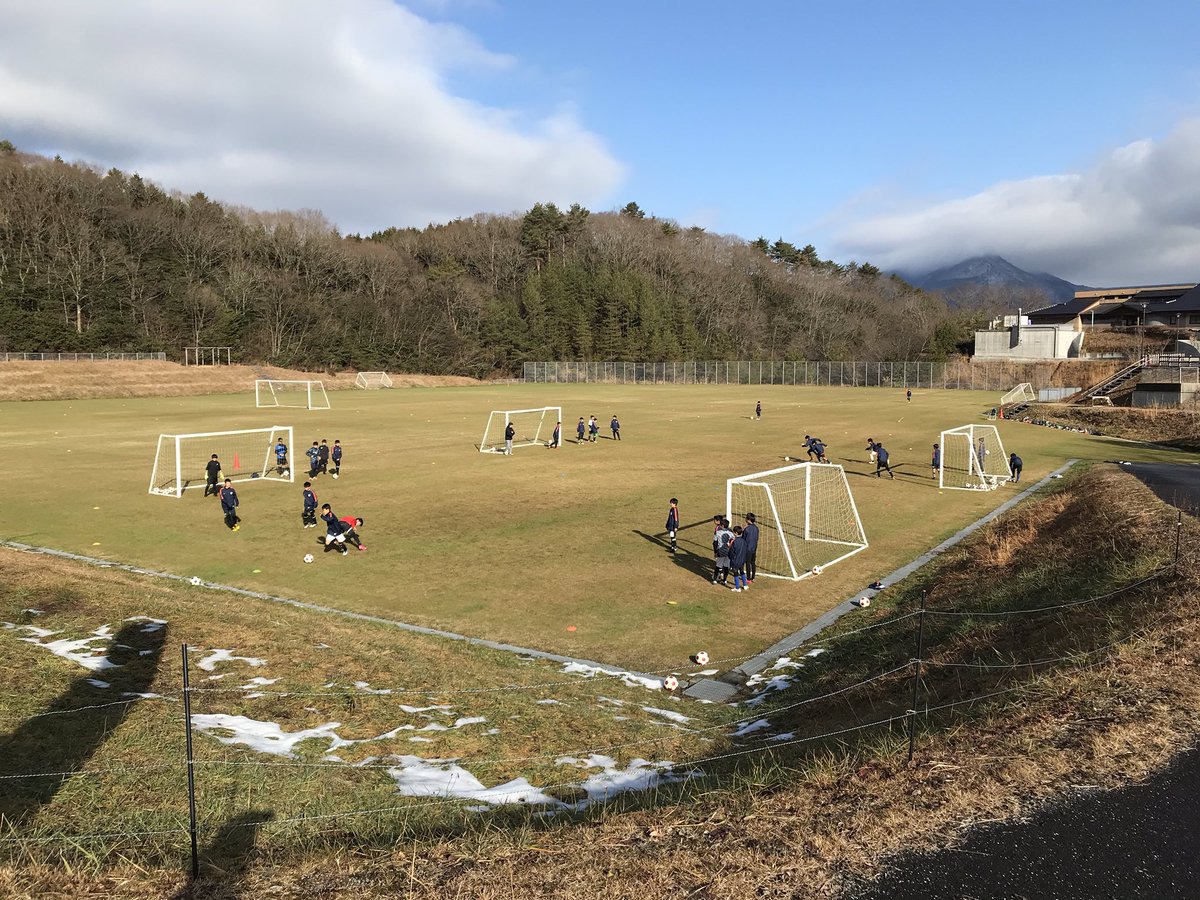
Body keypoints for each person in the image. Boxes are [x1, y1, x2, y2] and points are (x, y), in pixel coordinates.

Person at [712, 517, 734, 586]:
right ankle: (725, 580)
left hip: (720, 551)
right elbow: (733, 542)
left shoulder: (718, 533)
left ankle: (715, 579)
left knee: (718, 566)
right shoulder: (731, 533)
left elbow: (715, 543)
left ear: (722, 526)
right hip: (728, 552)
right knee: (726, 566)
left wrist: (715, 552)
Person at [728, 525, 749, 592]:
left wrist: (730, 557)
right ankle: (745, 585)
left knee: (735, 573)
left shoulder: (735, 542)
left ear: (736, 533)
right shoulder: (744, 541)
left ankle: (737, 587)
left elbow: (732, 552)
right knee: (742, 571)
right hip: (742, 559)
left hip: (735, 560)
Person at [743, 512, 759, 582]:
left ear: (748, 519)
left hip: (748, 548)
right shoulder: (756, 528)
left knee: (748, 563)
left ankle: (748, 578)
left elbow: (743, 538)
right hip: (754, 548)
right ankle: (753, 577)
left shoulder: (747, 529)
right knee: (753, 562)